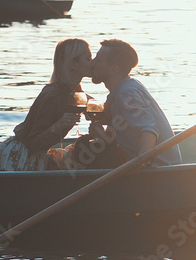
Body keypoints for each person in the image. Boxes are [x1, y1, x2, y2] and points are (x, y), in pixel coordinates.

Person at [0, 39, 93, 171]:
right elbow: (33, 143)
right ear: (74, 63)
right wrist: (59, 126)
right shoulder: (54, 95)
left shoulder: (73, 90)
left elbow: (95, 105)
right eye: (88, 58)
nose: (93, 63)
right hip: (22, 157)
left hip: (35, 155)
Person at [70, 39, 181, 169]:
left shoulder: (127, 93)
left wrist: (141, 165)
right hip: (141, 162)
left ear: (114, 69)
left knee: (83, 150)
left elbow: (149, 131)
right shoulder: (122, 89)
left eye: (98, 60)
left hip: (159, 168)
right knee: (85, 145)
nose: (93, 63)